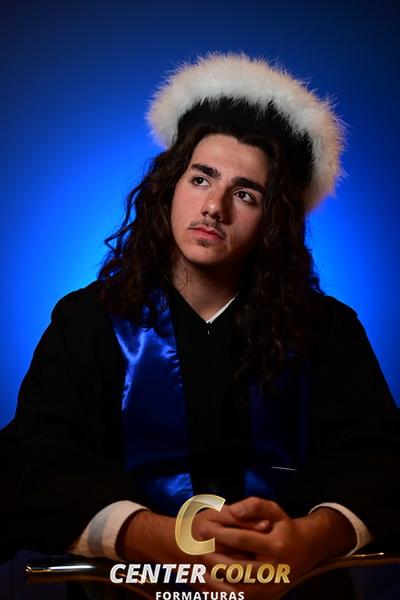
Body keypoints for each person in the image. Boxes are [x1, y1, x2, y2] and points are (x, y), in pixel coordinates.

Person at [1, 53, 399, 599]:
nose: (214, 206)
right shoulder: (88, 320)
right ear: (170, 186)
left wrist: (312, 537)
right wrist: (155, 538)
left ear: (273, 221)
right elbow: (38, 458)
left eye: (245, 193)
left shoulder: (327, 330)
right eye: (201, 177)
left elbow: (378, 457)